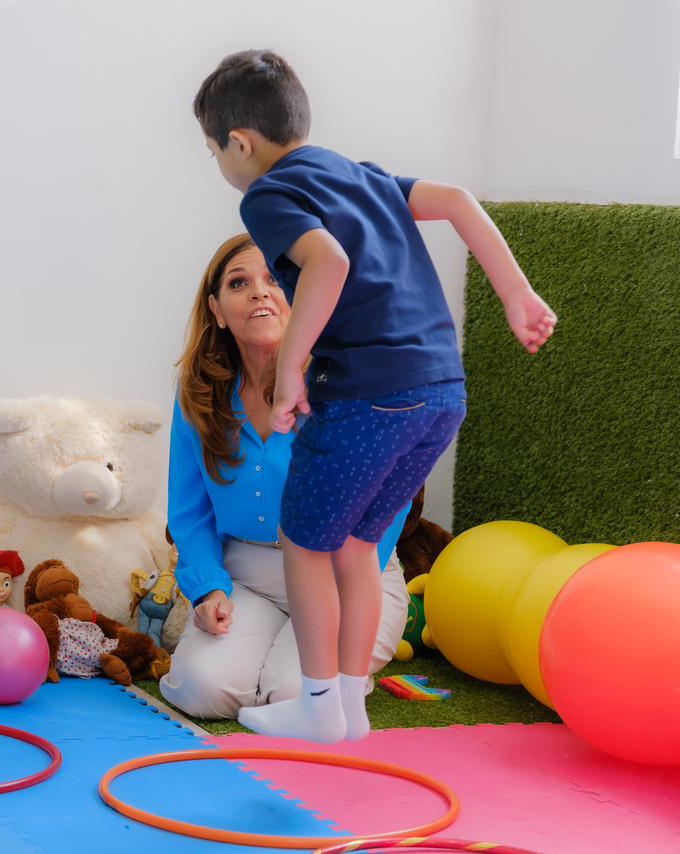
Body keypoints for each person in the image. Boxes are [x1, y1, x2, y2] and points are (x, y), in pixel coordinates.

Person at [193, 50, 556, 742]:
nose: (220, 164)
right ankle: (349, 708)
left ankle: (318, 704)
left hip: (368, 394)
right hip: (441, 392)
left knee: (303, 543)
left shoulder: (265, 195)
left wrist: (291, 370)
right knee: (358, 546)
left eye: (213, 152)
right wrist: (517, 294)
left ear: (239, 143)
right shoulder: (361, 175)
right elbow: (457, 200)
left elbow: (327, 261)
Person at [162, 234, 410, 720]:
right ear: (217, 309)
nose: (259, 291)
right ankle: (280, 661)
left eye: (275, 278)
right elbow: (190, 511)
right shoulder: (197, 392)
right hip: (248, 576)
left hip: (344, 575)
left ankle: (323, 672)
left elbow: (391, 494)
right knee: (200, 689)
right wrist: (209, 589)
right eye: (239, 283)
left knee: (295, 695)